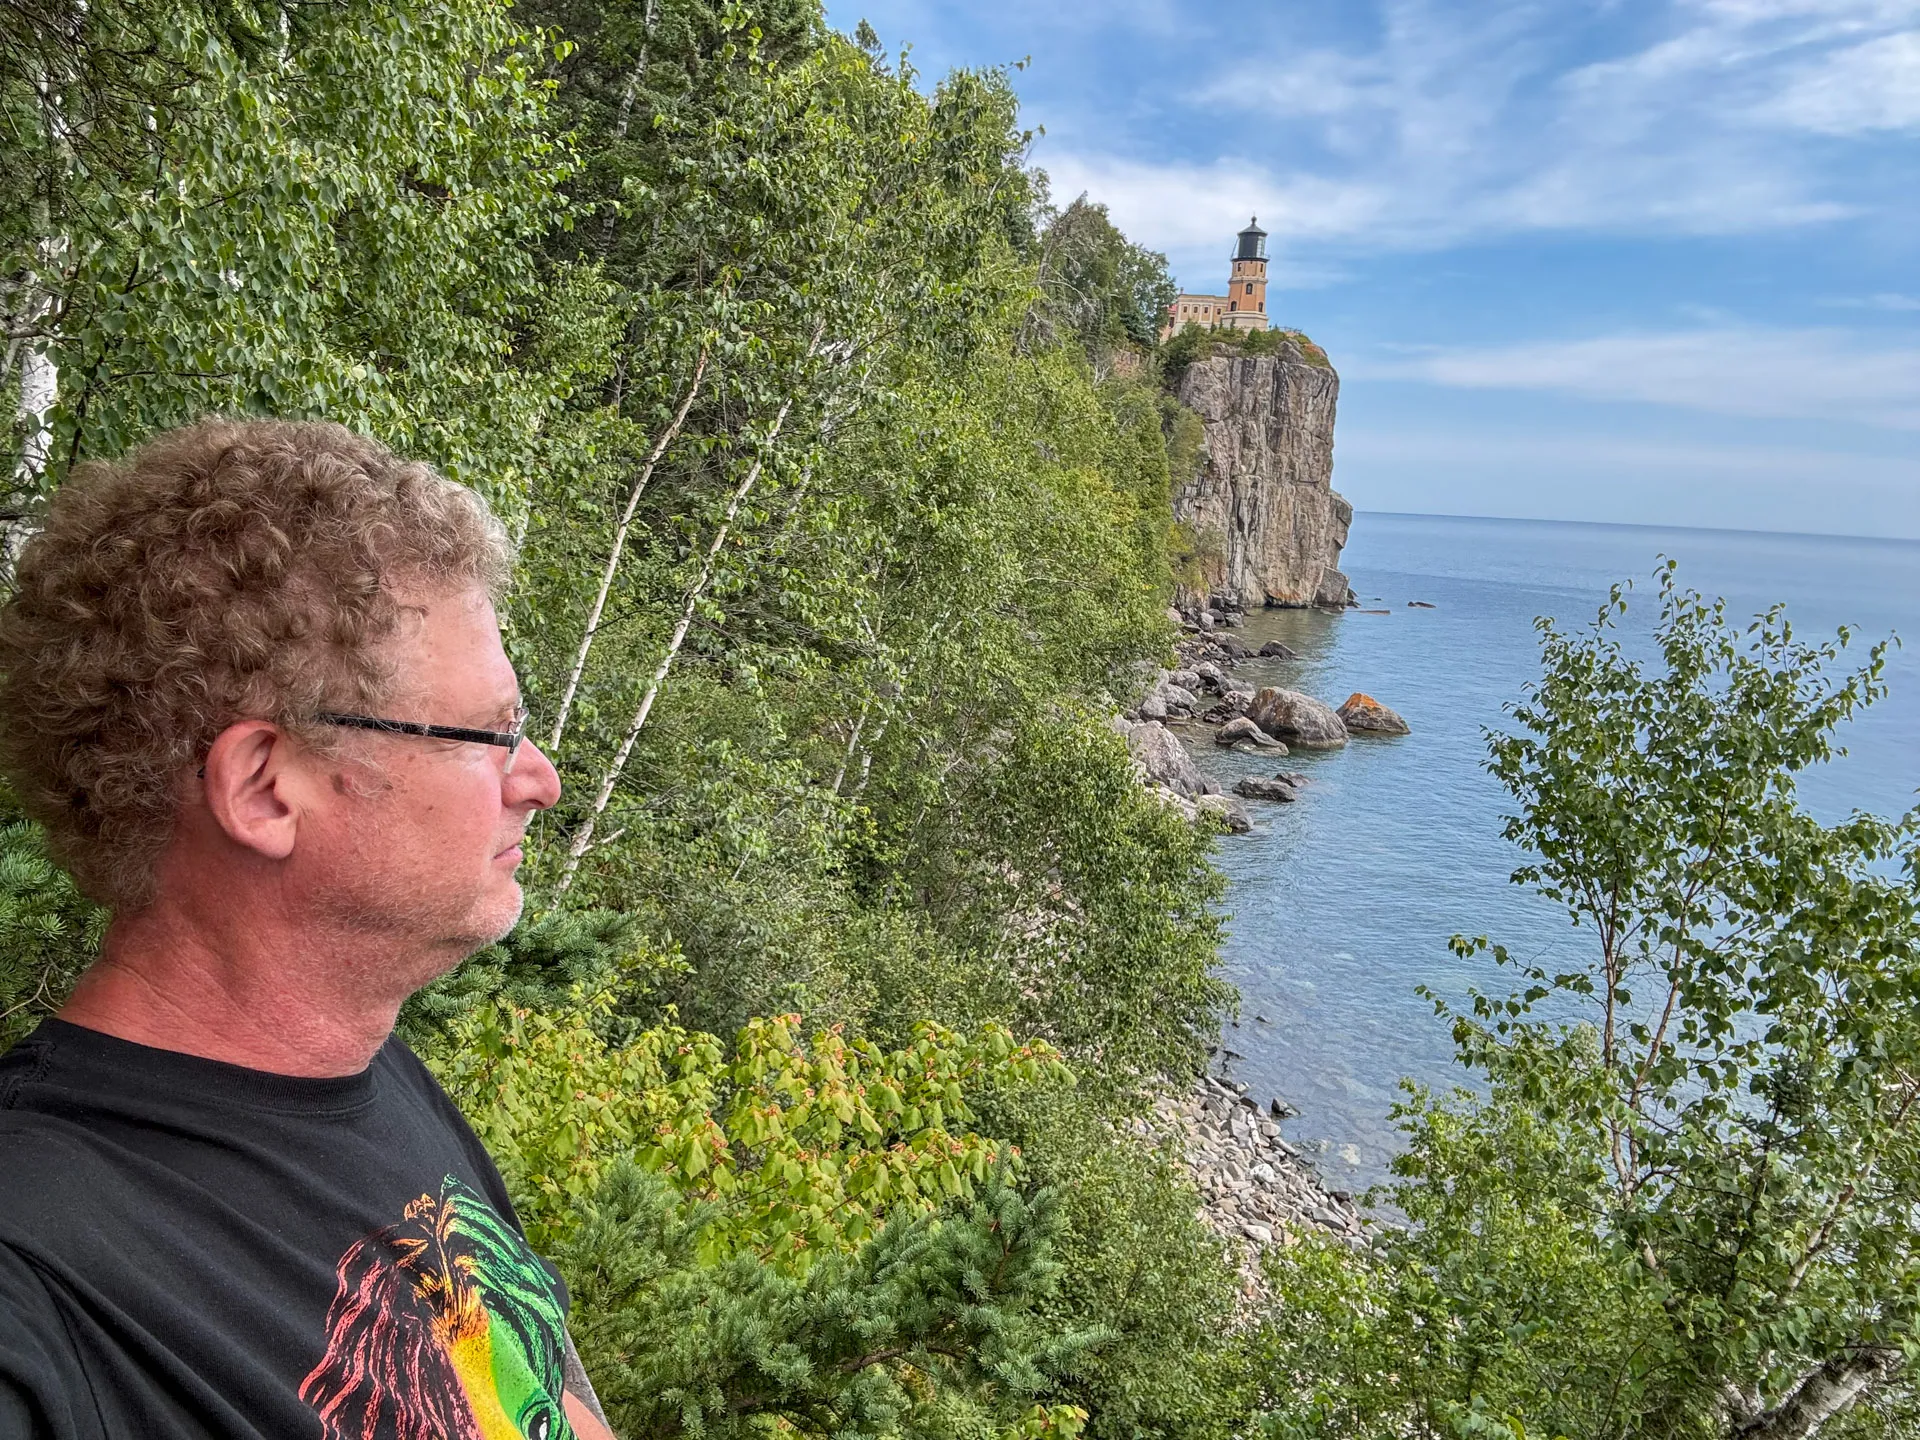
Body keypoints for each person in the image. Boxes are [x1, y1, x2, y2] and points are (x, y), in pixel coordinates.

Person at [0, 419, 616, 1439]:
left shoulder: (376, 1083)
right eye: (490, 735)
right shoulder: (42, 1273)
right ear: (265, 788)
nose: (540, 781)